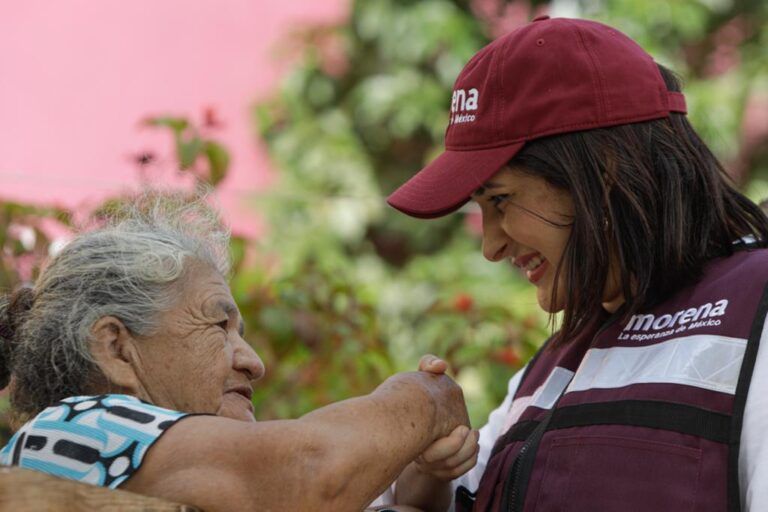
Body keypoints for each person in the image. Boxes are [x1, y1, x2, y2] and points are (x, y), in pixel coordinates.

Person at [380, 15, 768, 512]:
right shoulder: (548, 367)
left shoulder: (753, 313)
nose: (491, 247)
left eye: (500, 200)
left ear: (601, 172)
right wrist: (428, 468)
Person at [0, 191, 472, 512]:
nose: (254, 362)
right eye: (219, 325)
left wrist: (425, 475)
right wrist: (429, 397)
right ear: (116, 349)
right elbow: (313, 471)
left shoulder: (185, 475)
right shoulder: (68, 434)